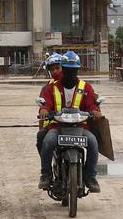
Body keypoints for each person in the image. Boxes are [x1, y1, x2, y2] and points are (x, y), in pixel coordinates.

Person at [37, 51, 102, 193]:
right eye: (67, 70)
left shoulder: (86, 87)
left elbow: (92, 104)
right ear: (63, 69)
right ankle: (46, 175)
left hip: (80, 127)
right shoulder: (51, 87)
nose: (70, 73)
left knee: (93, 142)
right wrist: (44, 110)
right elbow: (46, 103)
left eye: (73, 70)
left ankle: (90, 176)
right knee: (47, 142)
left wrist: (95, 111)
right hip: (57, 127)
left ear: (77, 70)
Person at [35, 53, 65, 156]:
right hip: (54, 125)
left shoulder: (75, 84)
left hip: (75, 124)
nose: (55, 71)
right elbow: (44, 105)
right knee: (41, 137)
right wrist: (44, 109)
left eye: (58, 68)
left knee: (93, 140)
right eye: (52, 69)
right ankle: (46, 166)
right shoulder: (47, 88)